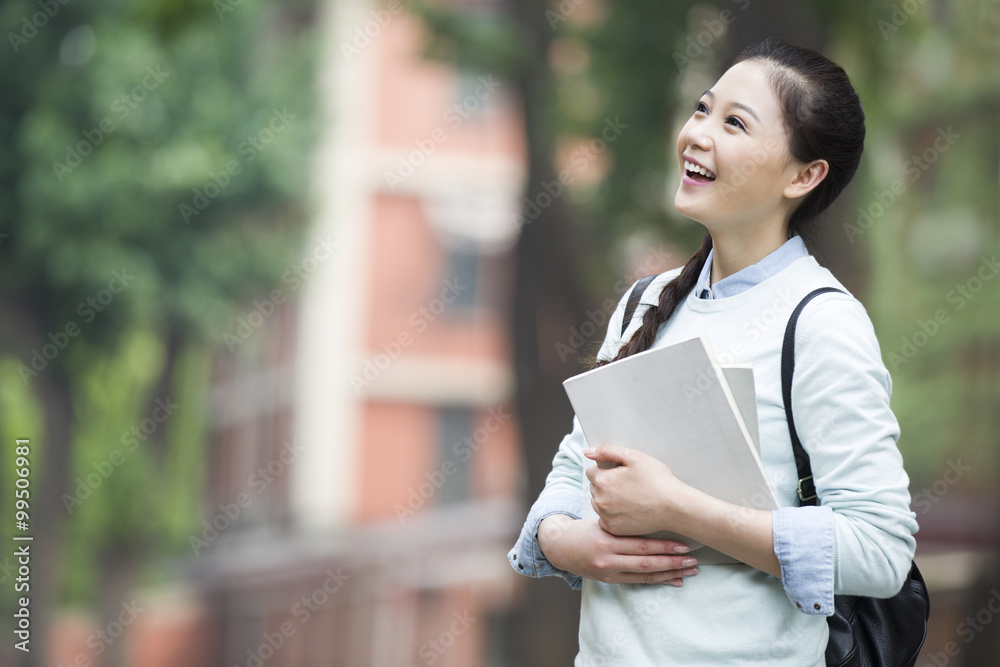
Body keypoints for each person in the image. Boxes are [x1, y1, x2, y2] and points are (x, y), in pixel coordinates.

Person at [507, 38, 918, 665]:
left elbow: (880, 549)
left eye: (734, 123)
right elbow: (571, 471)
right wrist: (567, 542)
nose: (697, 134)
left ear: (804, 176)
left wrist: (677, 509)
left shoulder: (820, 322)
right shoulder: (646, 303)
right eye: (703, 110)